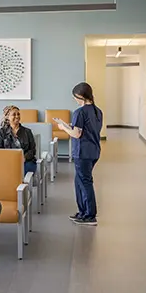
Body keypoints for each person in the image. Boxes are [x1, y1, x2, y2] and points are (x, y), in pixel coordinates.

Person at [53, 82, 102, 226]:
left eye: (75, 97)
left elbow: (76, 134)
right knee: (80, 181)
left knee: (85, 182)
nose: (74, 99)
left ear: (80, 96)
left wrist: (63, 127)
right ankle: (82, 212)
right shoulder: (97, 111)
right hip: (94, 151)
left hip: (82, 152)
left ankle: (90, 215)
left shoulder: (79, 112)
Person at [0, 105, 38, 176]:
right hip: (8, 161)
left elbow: (32, 150)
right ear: (7, 117)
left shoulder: (27, 131)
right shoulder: (2, 132)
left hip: (26, 161)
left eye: (18, 114)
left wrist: (23, 158)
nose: (17, 116)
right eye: (14, 114)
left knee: (20, 173)